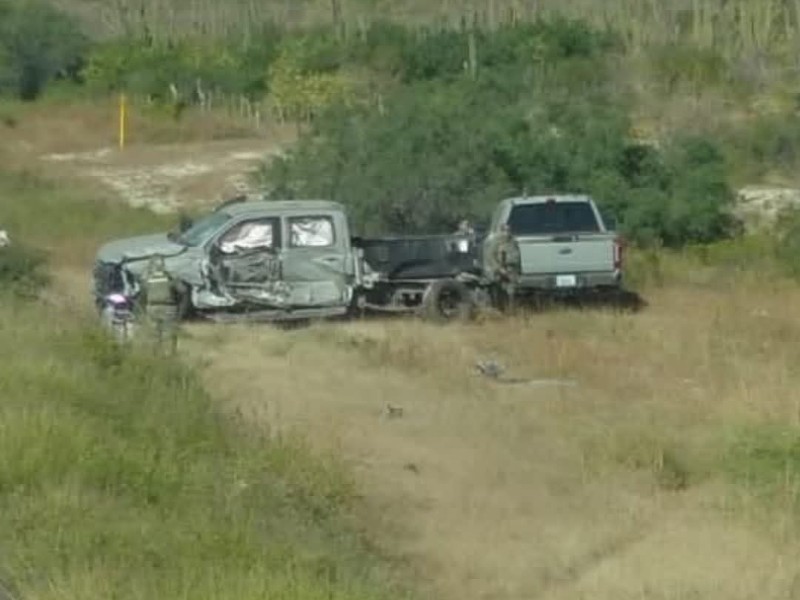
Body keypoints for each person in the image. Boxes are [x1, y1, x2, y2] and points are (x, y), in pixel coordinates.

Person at [138, 254, 181, 354]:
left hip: (152, 307)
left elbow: (142, 293)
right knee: (168, 333)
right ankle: (168, 355)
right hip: (168, 307)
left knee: (153, 334)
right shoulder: (170, 276)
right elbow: (181, 290)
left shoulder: (146, 278)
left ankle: (154, 355)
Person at [483, 223, 521, 310]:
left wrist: (519, 272)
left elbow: (518, 257)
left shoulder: (513, 241)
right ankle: (501, 309)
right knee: (501, 291)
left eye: (508, 230)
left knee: (512, 291)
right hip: (501, 270)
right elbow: (491, 257)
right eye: (505, 230)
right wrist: (499, 269)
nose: (507, 233)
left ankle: (511, 310)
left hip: (512, 269)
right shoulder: (496, 242)